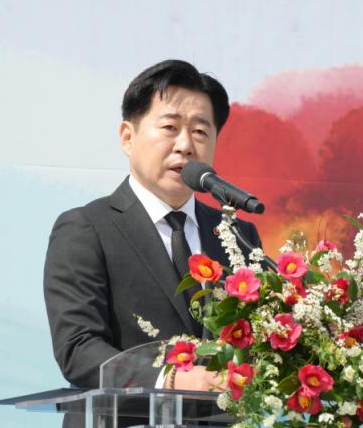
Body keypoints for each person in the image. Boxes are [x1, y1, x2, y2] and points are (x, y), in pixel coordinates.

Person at [43, 59, 262, 393]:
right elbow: (78, 348)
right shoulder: (86, 230)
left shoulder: (239, 236)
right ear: (127, 137)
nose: (185, 145)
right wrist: (170, 380)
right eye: (170, 127)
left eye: (200, 132)